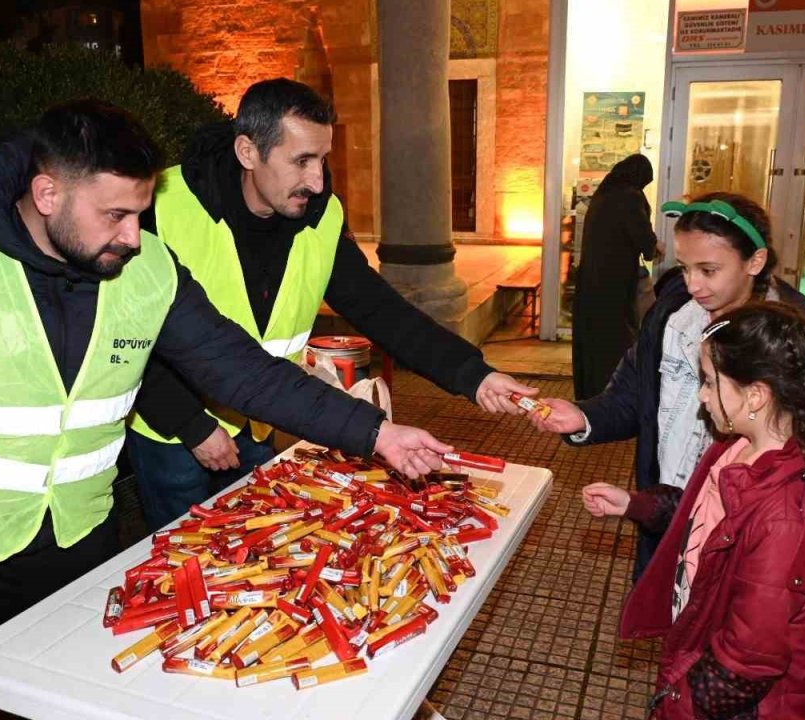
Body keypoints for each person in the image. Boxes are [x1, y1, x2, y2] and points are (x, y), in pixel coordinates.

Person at [0, 99, 451, 719]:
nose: (135, 236)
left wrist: (375, 433)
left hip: (78, 550)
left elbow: (243, 370)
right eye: (115, 215)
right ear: (48, 193)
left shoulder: (147, 268)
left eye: (140, 213)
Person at [126, 78, 535, 529]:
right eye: (301, 161)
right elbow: (129, 336)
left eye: (322, 159)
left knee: (250, 558)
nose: (317, 180)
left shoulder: (319, 214)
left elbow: (381, 310)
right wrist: (191, 425)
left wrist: (473, 375)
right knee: (175, 560)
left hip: (264, 414)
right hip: (172, 432)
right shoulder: (159, 206)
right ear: (248, 152)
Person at [529, 192, 805, 579]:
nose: (693, 285)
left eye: (708, 270)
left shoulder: (798, 341)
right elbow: (634, 395)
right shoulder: (673, 316)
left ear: (754, 261)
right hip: (671, 513)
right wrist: (583, 416)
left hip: (752, 538)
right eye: (685, 268)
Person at [585, 302, 805, 719]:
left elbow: (748, 662)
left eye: (708, 381)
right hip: (701, 645)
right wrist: (636, 504)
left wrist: (677, 702)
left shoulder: (786, 516)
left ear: (755, 395)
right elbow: (703, 516)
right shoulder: (737, 447)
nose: (702, 396)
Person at [571, 154, 657, 401]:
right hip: (614, 283)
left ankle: (590, 390)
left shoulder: (604, 194)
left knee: (592, 338)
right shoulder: (629, 197)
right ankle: (612, 393)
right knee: (615, 337)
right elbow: (642, 236)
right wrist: (654, 245)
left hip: (591, 280)